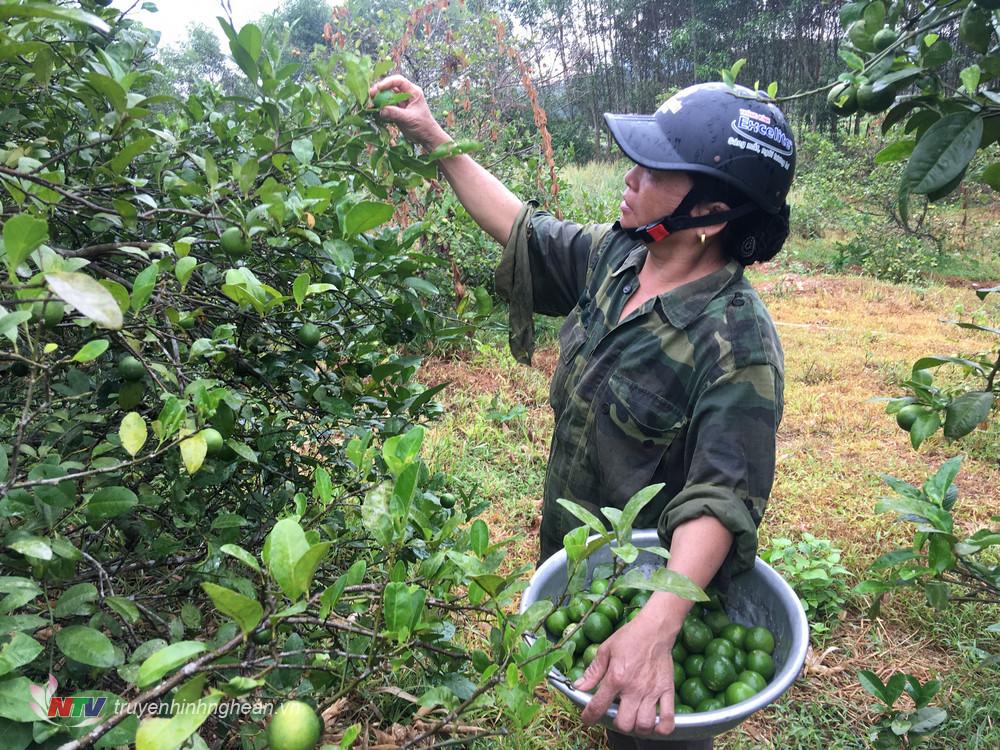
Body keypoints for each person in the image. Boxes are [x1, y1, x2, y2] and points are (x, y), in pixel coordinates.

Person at [370, 75, 795, 749]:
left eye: (655, 170)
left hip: (655, 590)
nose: (630, 176)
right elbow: (523, 229)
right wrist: (435, 138)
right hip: (583, 559)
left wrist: (656, 627)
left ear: (711, 214)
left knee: (648, 730)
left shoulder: (736, 346)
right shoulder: (619, 255)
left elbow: (721, 495)